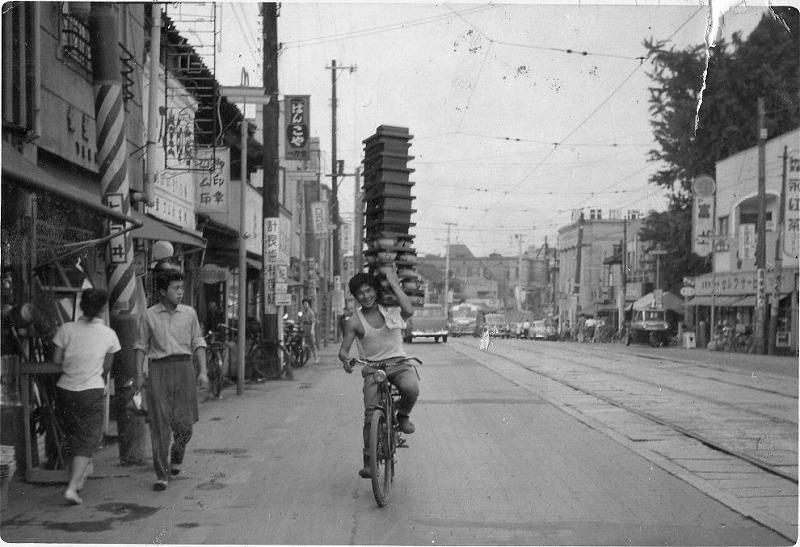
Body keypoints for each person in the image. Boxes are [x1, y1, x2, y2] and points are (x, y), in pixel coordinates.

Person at [338, 267, 419, 479]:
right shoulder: (354, 321)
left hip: (399, 363)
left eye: (368, 291)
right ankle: (368, 460)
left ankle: (402, 416)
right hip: (373, 368)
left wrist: (393, 282)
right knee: (370, 413)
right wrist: (346, 360)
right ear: (355, 297)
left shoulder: (389, 309)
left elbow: (409, 310)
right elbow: (343, 350)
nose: (366, 296)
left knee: (412, 388)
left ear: (375, 290)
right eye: (360, 294)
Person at [134, 269, 208, 491]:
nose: (180, 292)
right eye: (176, 288)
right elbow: (140, 346)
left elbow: (198, 342)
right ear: (162, 291)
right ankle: (161, 474)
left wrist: (202, 371)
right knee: (159, 424)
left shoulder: (189, 313)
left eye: (182, 288)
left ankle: (178, 452)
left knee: (185, 425)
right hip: (158, 370)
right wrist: (138, 374)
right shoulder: (148, 315)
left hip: (184, 369)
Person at [52, 288, 121, 505]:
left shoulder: (66, 329)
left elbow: (56, 361)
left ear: (82, 306)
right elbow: (108, 366)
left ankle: (79, 476)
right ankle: (72, 487)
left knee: (74, 435)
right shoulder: (109, 334)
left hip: (65, 389)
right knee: (87, 439)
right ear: (103, 308)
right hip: (91, 390)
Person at [300, 297, 319, 365]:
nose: (305, 305)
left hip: (309, 328)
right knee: (304, 344)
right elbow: (302, 321)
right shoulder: (303, 312)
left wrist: (312, 330)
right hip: (304, 329)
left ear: (309, 304)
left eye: (306, 304)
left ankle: (316, 358)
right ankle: (307, 357)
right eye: (304, 304)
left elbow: (313, 322)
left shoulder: (311, 312)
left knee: (313, 344)